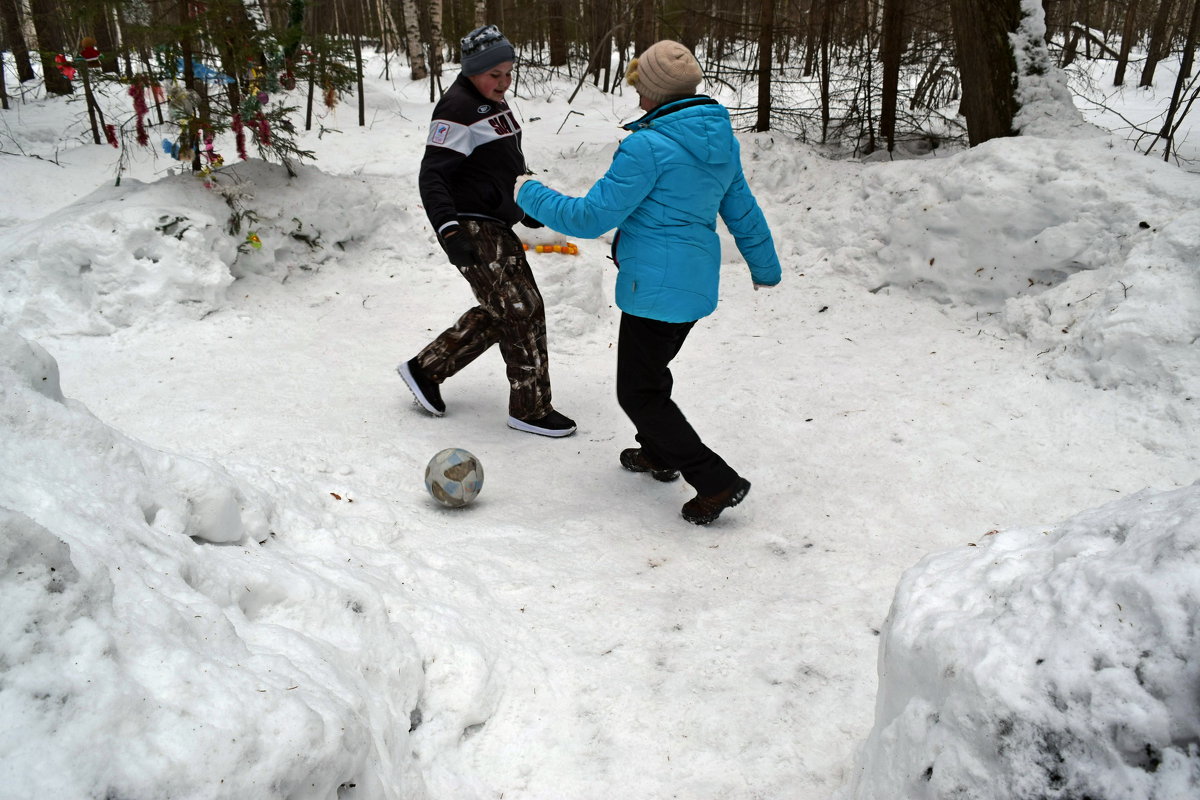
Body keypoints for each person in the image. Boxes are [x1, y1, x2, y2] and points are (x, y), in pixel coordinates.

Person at [516, 40, 781, 524]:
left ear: (657, 92)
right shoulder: (718, 141)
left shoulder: (647, 147)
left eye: (641, 87)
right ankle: (660, 453)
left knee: (638, 391)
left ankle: (715, 480)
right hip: (693, 286)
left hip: (655, 290)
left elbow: (590, 216)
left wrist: (528, 191)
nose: (636, 96)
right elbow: (743, 210)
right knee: (651, 374)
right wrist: (766, 268)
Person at [398, 24, 576, 438]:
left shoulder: (491, 102)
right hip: (472, 225)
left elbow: (504, 161)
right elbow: (432, 177)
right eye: (494, 75)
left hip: (495, 219)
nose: (503, 82)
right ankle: (530, 408)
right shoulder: (457, 109)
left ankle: (427, 370)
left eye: (508, 73)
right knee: (522, 308)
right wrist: (449, 230)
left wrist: (523, 202)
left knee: (503, 310)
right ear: (474, 71)